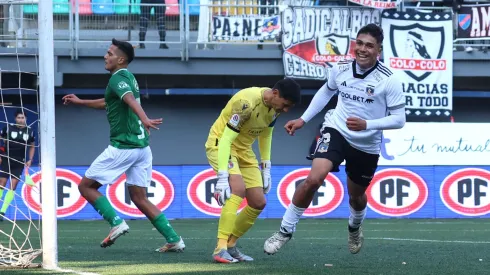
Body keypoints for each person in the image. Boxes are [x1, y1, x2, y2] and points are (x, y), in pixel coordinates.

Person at [263, 23, 406, 255]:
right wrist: (303, 120)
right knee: (313, 179)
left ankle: (354, 227)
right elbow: (326, 91)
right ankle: (284, 231)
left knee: (357, 196)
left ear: (378, 50)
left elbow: (399, 119)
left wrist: (367, 125)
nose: (362, 49)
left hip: (366, 143)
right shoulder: (340, 68)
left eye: (369, 46)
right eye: (359, 43)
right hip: (336, 129)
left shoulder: (389, 80)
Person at [62, 38, 184, 252]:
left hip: (123, 147)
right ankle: (174, 239)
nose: (105, 56)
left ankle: (116, 223)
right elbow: (109, 102)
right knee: (139, 197)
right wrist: (80, 102)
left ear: (120, 59)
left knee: (85, 186)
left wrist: (145, 118)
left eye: (109, 53)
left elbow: (129, 99)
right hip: (142, 149)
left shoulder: (117, 78)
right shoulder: (128, 77)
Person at [205, 78, 301, 263]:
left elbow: (266, 134)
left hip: (244, 150)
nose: (286, 110)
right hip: (221, 145)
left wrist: (266, 166)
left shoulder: (275, 108)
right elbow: (226, 139)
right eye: (285, 104)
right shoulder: (246, 103)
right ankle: (220, 248)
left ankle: (231, 244)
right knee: (238, 189)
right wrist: (223, 176)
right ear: (275, 94)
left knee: (258, 202)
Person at [0, 109, 35, 220]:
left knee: (13, 185)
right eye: (19, 118)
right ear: (15, 119)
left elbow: (32, 145)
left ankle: (3, 211)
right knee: (2, 183)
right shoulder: (8, 127)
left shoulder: (29, 131)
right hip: (7, 159)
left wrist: (30, 159)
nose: (21, 120)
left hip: (20, 161)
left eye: (23, 118)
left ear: (26, 119)